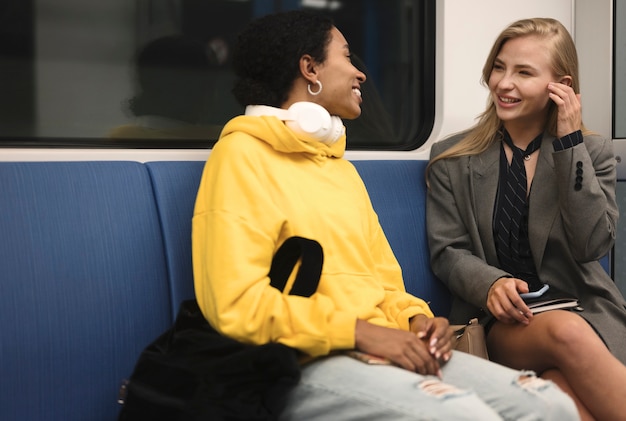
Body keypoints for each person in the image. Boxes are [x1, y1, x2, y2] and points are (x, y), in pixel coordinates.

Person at [192, 11, 578, 420]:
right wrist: (360, 333)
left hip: (379, 346)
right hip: (299, 361)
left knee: (549, 405)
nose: (361, 74)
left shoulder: (339, 169)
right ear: (310, 69)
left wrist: (416, 320)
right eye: (347, 57)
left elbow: (384, 283)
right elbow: (235, 304)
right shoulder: (240, 157)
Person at [426, 17, 626, 420]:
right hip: (501, 320)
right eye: (499, 67)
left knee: (562, 392)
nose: (503, 83)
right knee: (564, 332)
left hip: (585, 311)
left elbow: (592, 245)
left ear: (562, 86)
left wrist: (570, 143)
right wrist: (491, 283)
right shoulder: (454, 159)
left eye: (523, 72)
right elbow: (448, 251)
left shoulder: (593, 152)